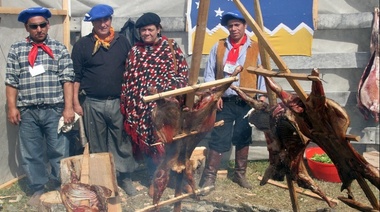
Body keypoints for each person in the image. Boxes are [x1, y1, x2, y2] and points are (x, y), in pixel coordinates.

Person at [5, 7, 75, 206]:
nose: (39, 29)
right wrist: (12, 107)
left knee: (59, 151)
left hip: (54, 109)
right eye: (33, 26)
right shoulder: (17, 49)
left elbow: (67, 79)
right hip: (27, 111)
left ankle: (61, 187)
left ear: (48, 25)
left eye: (42, 25)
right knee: (31, 152)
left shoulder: (59, 48)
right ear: (27, 28)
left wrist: (68, 107)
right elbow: (11, 81)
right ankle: (37, 188)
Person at [71, 4, 138, 196]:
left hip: (118, 101)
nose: (103, 23)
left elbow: (131, 71)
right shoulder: (82, 45)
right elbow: (75, 76)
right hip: (92, 102)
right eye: (98, 20)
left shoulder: (122, 42)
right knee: (97, 143)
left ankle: (125, 178)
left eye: (106, 19)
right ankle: (103, 183)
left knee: (121, 141)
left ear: (111, 20)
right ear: (92, 23)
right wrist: (76, 103)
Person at [199, 10, 267, 192]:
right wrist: (215, 96)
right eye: (230, 26)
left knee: (243, 136)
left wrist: (261, 96)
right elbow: (210, 74)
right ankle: (210, 177)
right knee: (218, 136)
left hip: (246, 102)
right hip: (225, 100)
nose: (234, 29)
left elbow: (261, 73)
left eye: (237, 25)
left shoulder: (255, 47)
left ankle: (239, 174)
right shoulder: (219, 46)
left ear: (245, 26)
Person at [120, 12, 189, 188]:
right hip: (143, 110)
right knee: (151, 144)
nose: (147, 34)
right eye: (143, 31)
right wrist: (134, 103)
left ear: (158, 29)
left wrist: (165, 92)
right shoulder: (135, 51)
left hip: (168, 108)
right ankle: (155, 178)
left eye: (150, 30)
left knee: (172, 142)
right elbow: (129, 80)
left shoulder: (171, 48)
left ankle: (174, 178)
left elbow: (183, 75)